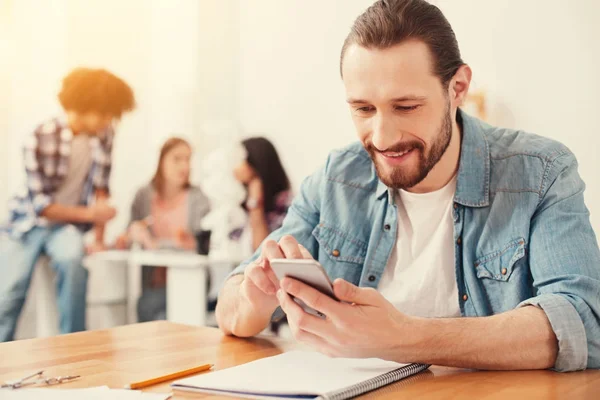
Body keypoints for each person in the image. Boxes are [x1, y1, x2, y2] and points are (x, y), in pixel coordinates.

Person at [216, 0, 600, 372]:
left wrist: (401, 337)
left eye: (406, 107)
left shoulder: (541, 172)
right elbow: (231, 307)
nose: (382, 137)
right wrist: (254, 300)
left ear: (458, 88)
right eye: (364, 109)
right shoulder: (337, 178)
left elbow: (582, 321)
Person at [0, 67, 135, 341]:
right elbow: (42, 206)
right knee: (10, 290)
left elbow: (101, 187)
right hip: (25, 225)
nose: (109, 119)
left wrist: (98, 236)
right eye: (105, 112)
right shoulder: (38, 137)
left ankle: (71, 349)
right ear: (85, 105)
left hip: (65, 228)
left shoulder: (104, 134)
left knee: (74, 265)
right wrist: (91, 214)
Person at [116, 137, 210, 322]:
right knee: (151, 308)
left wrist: (193, 242)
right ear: (161, 162)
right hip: (153, 283)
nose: (184, 166)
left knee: (154, 310)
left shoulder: (198, 198)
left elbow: (206, 244)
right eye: (177, 159)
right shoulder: (143, 196)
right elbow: (123, 240)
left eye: (188, 159)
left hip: (189, 281)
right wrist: (132, 235)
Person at [232, 137, 292, 254]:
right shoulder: (240, 201)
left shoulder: (285, 203)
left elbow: (261, 249)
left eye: (238, 160)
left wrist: (256, 202)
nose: (234, 167)